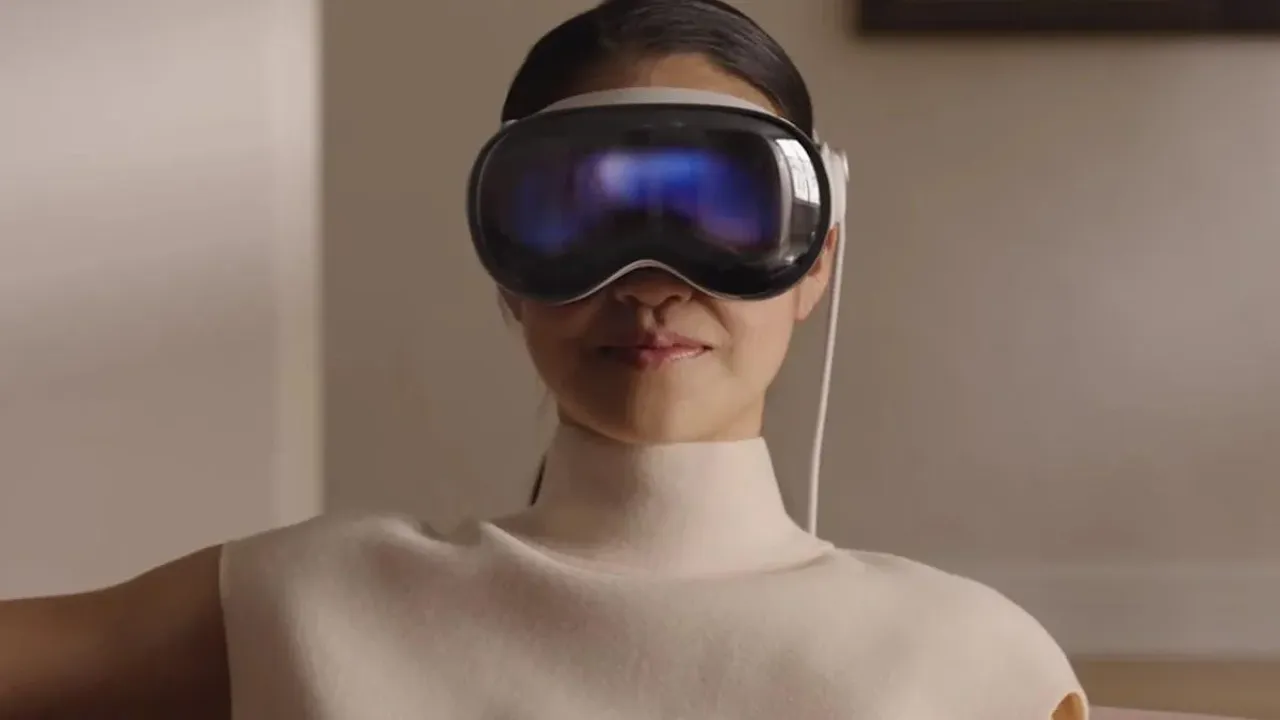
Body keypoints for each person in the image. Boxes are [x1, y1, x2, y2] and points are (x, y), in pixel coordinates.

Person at [0, 1, 1089, 718]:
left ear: (815, 259)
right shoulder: (310, 600)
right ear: (506, 268)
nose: (651, 281)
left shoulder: (973, 663)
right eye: (581, 213)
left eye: (720, 209)